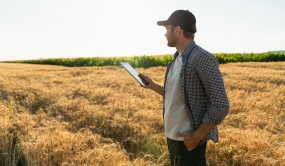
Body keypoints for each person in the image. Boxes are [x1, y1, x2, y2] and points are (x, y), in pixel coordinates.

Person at [139, 10, 230, 166]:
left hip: (188, 142)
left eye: (167, 28)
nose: (165, 34)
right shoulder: (176, 60)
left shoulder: (201, 58)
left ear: (177, 30)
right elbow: (176, 96)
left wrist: (196, 137)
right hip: (173, 138)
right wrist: (152, 85)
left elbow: (221, 105)